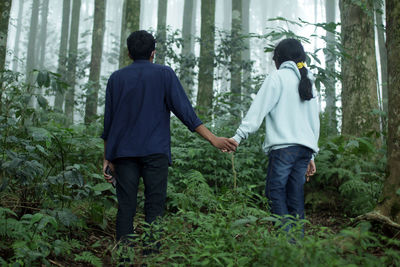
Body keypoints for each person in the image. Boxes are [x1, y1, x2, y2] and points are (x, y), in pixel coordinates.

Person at [101, 30, 237, 246]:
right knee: (155, 207)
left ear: (128, 53)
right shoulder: (164, 74)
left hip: (124, 153)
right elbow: (185, 112)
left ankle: (124, 258)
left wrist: (107, 156)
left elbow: (109, 122)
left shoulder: (116, 79)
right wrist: (213, 139)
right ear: (153, 53)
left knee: (126, 206)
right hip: (155, 152)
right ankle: (151, 257)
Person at [230, 38, 320, 234]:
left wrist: (237, 137)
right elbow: (314, 122)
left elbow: (257, 111)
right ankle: (297, 243)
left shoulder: (277, 78)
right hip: (304, 149)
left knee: (274, 193)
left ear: (279, 59)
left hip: (283, 150)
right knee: (294, 195)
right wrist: (312, 155)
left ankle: (286, 241)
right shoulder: (308, 81)